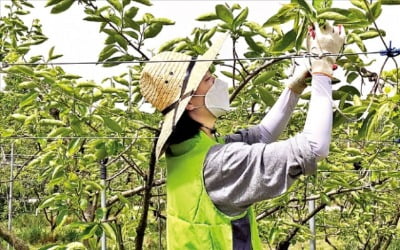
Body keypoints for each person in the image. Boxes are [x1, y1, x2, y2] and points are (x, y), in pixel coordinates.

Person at [140, 22, 345, 249]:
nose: (218, 82)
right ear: (189, 102)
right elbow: (314, 147)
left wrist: (295, 88)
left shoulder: (187, 151)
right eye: (208, 79)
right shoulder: (219, 164)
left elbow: (261, 134)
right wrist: (323, 66)